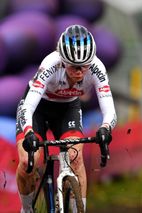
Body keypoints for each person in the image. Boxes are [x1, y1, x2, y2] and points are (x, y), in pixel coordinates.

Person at [15, 24, 117, 212]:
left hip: (67, 107)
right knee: (27, 162)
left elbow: (109, 111)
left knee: (75, 157)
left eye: (84, 66)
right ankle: (26, 208)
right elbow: (28, 106)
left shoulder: (97, 68)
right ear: (63, 61)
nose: (79, 72)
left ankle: (79, 208)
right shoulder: (50, 64)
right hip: (38, 107)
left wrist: (105, 128)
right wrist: (29, 131)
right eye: (74, 66)